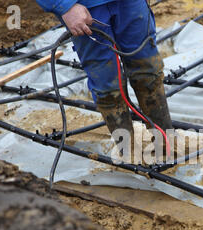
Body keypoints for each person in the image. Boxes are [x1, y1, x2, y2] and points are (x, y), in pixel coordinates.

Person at [35, 0, 173, 162]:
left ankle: (166, 143)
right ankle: (130, 155)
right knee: (108, 88)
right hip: (86, 7)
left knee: (148, 73)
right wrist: (65, 6)